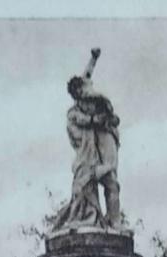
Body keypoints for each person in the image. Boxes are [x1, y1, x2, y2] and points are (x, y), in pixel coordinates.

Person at [54, 48, 122, 231]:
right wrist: (96, 120)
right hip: (89, 154)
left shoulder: (87, 88)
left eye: (82, 91)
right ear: (75, 97)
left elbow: (88, 72)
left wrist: (93, 58)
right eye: (78, 96)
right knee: (85, 187)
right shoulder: (74, 113)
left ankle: (114, 220)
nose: (83, 96)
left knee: (112, 182)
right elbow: (83, 122)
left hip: (103, 140)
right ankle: (89, 217)